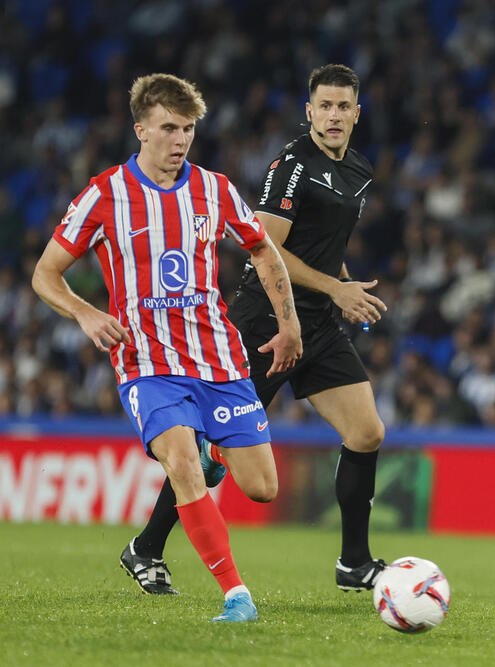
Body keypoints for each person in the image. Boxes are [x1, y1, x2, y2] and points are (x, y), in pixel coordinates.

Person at [32, 74, 303, 622]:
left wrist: (289, 324)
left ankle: (215, 453)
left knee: (263, 488)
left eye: (189, 129)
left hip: (219, 358)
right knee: (181, 463)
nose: (180, 140)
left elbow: (264, 252)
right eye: (169, 128)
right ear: (142, 131)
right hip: (148, 363)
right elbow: (45, 274)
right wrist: (85, 312)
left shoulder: (217, 189)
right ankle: (236, 595)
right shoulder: (105, 193)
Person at [121, 64, 390, 595]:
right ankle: (146, 548)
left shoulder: (359, 169)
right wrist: (336, 289)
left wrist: (341, 282)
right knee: (210, 450)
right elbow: (266, 248)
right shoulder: (292, 166)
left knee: (367, 432)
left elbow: (319, 246)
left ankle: (353, 563)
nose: (334, 116)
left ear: (357, 115)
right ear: (308, 111)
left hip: (319, 322)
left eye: (344, 107)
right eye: (325, 106)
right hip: (264, 321)